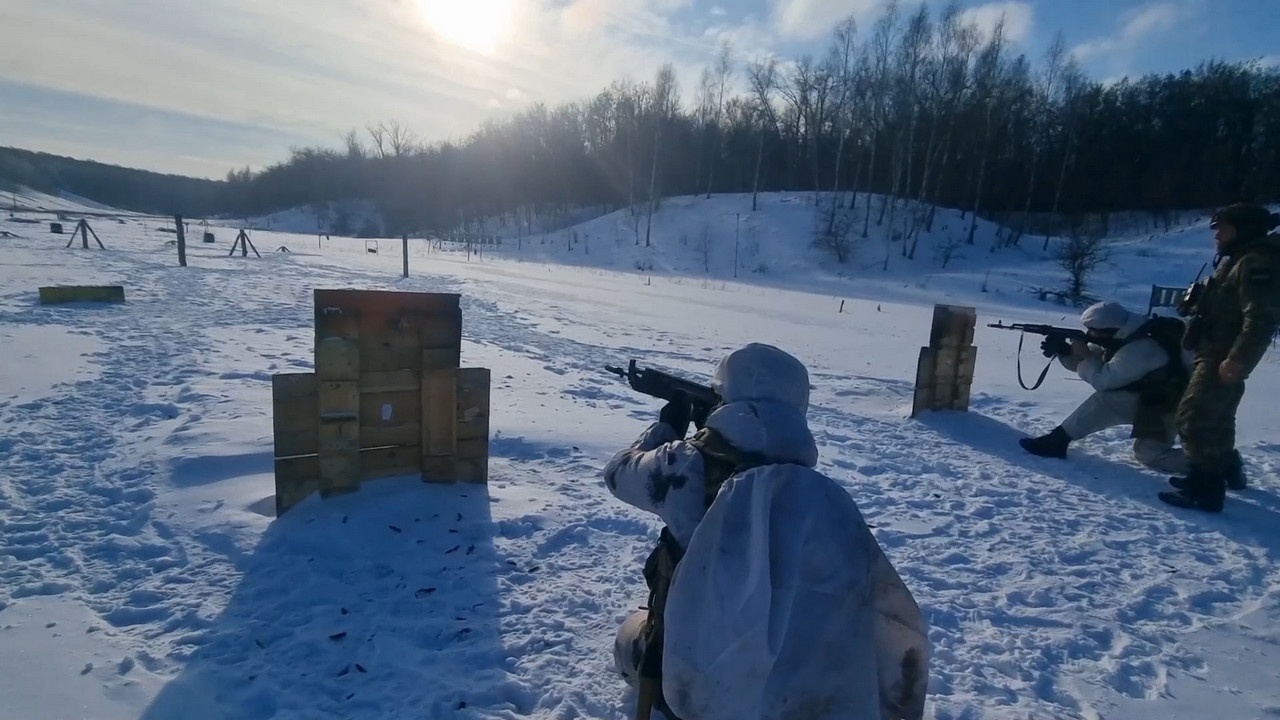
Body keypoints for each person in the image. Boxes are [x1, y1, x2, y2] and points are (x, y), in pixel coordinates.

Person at [602, 343, 929, 720]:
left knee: (629, 640)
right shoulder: (824, 496)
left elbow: (618, 472)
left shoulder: (684, 466)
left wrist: (666, 429)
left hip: (701, 668)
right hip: (800, 676)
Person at [1161, 203, 1280, 511]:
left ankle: (1205, 489)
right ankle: (1223, 472)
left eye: (1223, 229)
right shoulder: (1236, 260)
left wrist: (1238, 358)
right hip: (1212, 351)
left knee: (1193, 417)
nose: (1216, 236)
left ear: (1242, 229)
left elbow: (1261, 318)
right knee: (1218, 420)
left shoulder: (1254, 263)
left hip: (1222, 355)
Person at [1018, 301, 1193, 475]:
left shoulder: (1141, 348)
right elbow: (1094, 360)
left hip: (1169, 405)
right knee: (1141, 447)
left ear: (1110, 329)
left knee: (1149, 454)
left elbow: (1103, 380)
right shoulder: (1123, 334)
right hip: (1153, 398)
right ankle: (1058, 440)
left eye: (1094, 330)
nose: (1090, 334)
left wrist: (1084, 353)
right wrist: (1065, 351)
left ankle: (1209, 466)